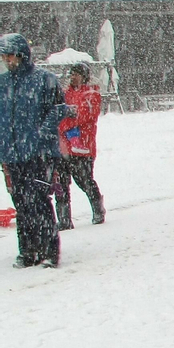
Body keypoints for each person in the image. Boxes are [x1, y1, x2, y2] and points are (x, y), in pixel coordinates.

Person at [0, 33, 70, 268]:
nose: (7, 60)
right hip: (12, 155)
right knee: (21, 205)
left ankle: (49, 250)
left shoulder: (44, 80)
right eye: (4, 56)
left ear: (21, 55)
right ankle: (28, 251)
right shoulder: (3, 84)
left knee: (40, 202)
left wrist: (42, 134)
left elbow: (59, 109)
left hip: (39, 154)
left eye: (9, 56)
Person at [52, 64, 105, 228]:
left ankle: (97, 208)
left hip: (82, 147)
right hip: (63, 147)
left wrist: (62, 121)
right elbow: (57, 113)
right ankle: (64, 219)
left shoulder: (92, 95)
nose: (73, 77)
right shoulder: (65, 94)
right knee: (60, 184)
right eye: (72, 74)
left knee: (84, 180)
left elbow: (82, 116)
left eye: (77, 74)